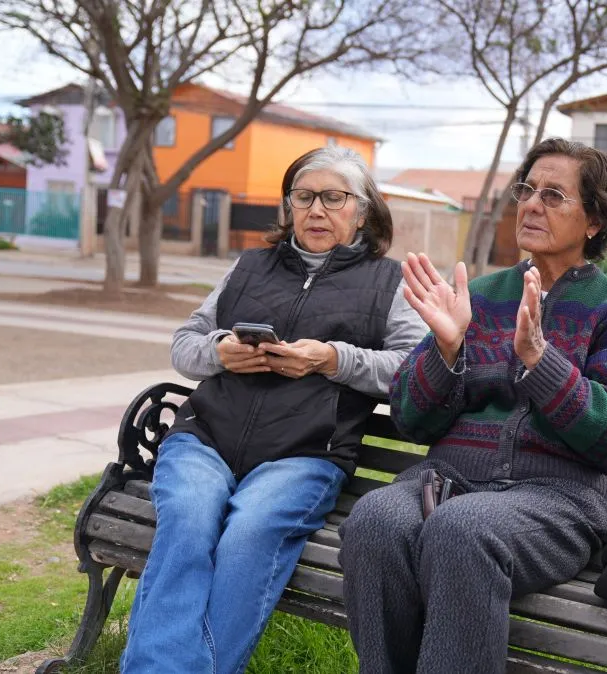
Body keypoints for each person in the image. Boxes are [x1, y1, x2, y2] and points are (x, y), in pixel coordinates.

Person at [339, 137, 607, 674]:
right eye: (527, 190)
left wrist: (539, 359)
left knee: (461, 531)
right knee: (373, 521)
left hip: (559, 499)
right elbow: (412, 420)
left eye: (554, 195)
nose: (531, 204)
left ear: (594, 221)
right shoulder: (480, 297)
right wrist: (445, 350)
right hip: (448, 481)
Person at [119, 146, 428, 674]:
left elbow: (412, 371)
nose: (316, 210)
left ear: (363, 210)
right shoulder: (250, 266)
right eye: (304, 197)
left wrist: (332, 359)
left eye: (334, 198)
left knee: (248, 537)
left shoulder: (391, 282)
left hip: (305, 453)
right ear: (288, 206)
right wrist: (219, 351)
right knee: (189, 524)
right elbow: (184, 343)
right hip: (205, 439)